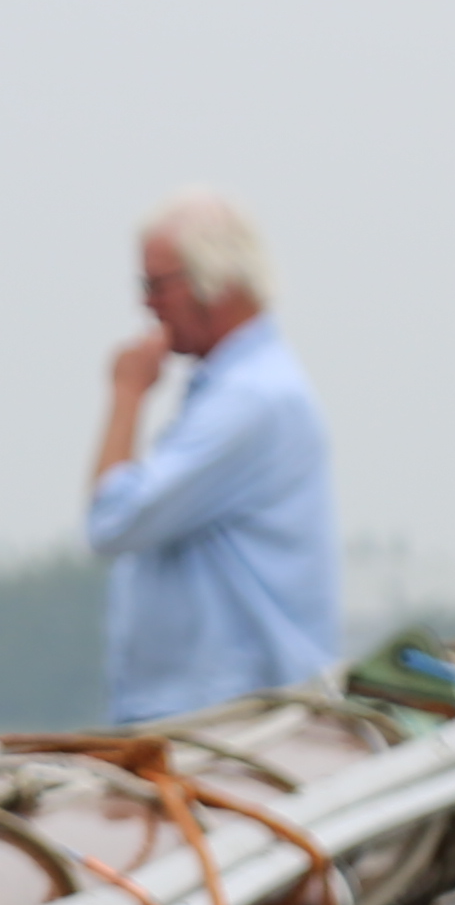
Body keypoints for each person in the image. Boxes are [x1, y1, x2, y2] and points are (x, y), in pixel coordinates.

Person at [86, 190, 341, 722]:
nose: (147, 306)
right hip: (215, 709)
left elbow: (113, 520)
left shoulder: (249, 401)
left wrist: (127, 393)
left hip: (231, 714)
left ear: (214, 281)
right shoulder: (247, 389)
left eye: (156, 285)